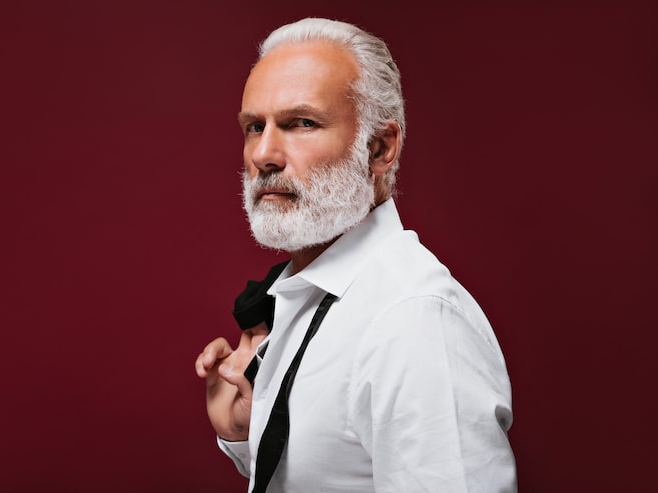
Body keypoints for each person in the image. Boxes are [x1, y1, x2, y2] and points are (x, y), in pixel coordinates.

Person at [195, 17, 517, 492]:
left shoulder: (413, 320)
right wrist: (246, 432)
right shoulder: (312, 295)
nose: (263, 154)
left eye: (301, 123)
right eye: (254, 126)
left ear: (380, 148)